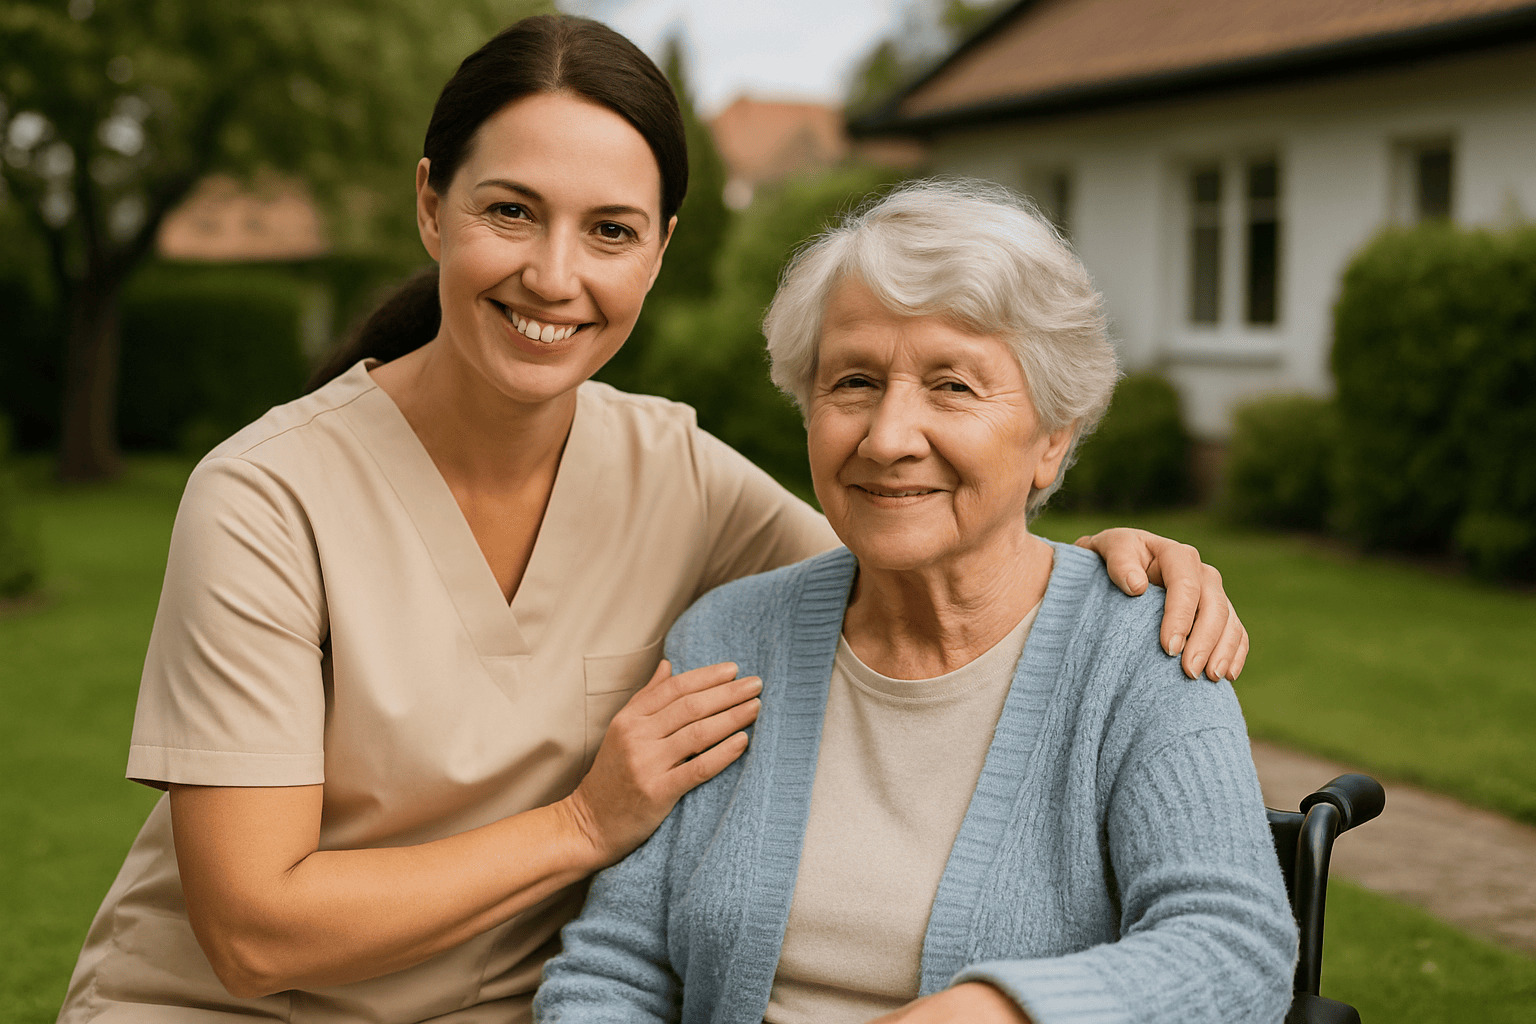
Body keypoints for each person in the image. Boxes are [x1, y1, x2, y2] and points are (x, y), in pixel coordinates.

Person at [57, 16, 1249, 1024]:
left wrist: (1100, 566)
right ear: (432, 207)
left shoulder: (676, 473)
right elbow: (255, 934)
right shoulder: (266, 498)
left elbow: (911, 547)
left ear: (662, 249)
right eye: (511, 211)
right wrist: (587, 820)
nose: (555, 276)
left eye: (611, 229)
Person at [535, 181, 1296, 1024]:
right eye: (854, 382)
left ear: (1052, 438)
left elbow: (1235, 946)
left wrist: (994, 1014)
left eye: (953, 387)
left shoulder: (1140, 648)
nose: (889, 438)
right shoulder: (728, 634)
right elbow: (613, 972)